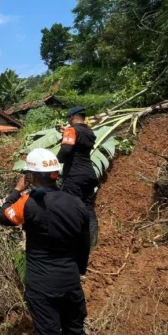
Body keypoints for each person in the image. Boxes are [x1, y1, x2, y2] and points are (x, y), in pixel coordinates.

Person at [0, 148, 90, 335]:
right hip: (71, 280)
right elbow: (84, 245)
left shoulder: (28, 203)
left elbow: (3, 217)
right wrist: (78, 271)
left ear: (30, 177)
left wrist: (15, 191)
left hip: (42, 284)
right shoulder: (77, 204)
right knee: (76, 334)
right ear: (55, 175)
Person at [57, 106, 99, 248]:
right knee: (87, 208)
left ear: (72, 117)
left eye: (68, 119)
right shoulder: (89, 131)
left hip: (74, 176)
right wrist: (66, 132)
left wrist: (55, 162)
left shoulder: (71, 130)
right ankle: (91, 243)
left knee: (67, 206)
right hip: (89, 174)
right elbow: (79, 142)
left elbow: (66, 150)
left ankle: (68, 242)